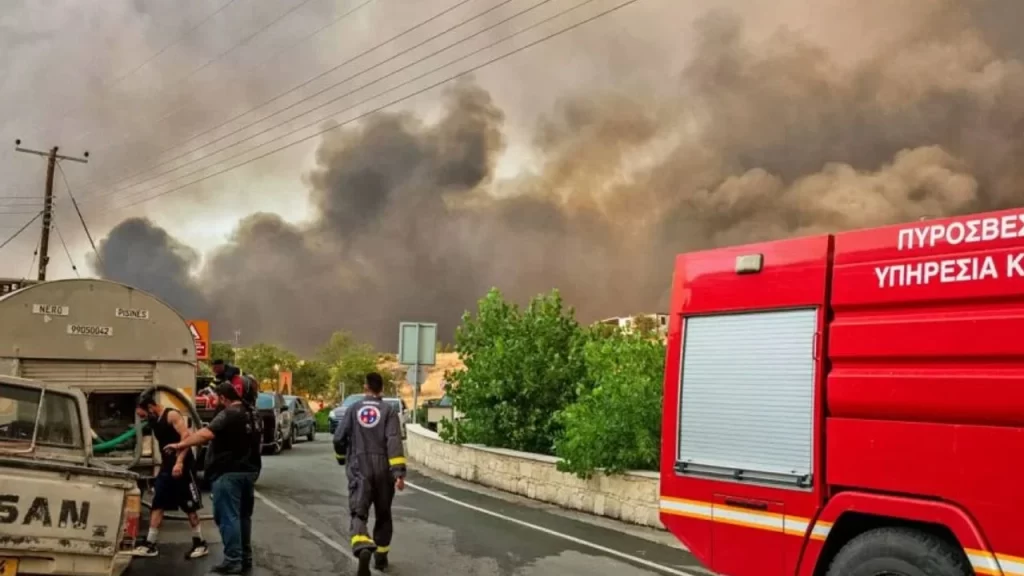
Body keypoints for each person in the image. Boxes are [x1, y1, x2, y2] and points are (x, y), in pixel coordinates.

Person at [165, 381, 260, 574]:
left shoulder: (228, 414)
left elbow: (205, 435)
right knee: (243, 516)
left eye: (217, 398)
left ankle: (233, 560)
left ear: (224, 398)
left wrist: (180, 445)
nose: (216, 401)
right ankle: (245, 557)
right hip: (249, 471)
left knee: (228, 518)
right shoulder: (254, 413)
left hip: (227, 473)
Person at [333, 372, 406, 576]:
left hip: (359, 467)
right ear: (381, 389)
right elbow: (394, 441)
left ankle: (362, 546)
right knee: (383, 514)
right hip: (383, 469)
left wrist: (341, 458)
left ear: (365, 388)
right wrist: (398, 473)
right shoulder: (389, 411)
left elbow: (339, 437)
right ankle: (381, 559)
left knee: (359, 511)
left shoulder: (354, 409)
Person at [131, 391, 209, 559]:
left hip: (183, 465)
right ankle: (150, 544)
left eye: (143, 414)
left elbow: (186, 437)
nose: (143, 418)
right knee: (158, 503)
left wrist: (179, 461)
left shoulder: (172, 415)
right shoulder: (153, 421)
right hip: (167, 467)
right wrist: (164, 466)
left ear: (150, 407)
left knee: (190, 507)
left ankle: (200, 543)